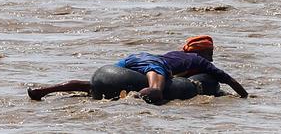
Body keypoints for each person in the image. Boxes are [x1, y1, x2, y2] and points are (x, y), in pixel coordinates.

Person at [27, 35, 249, 104]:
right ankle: (134, 103)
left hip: (135, 60)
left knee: (92, 85)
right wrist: (245, 96)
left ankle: (43, 91)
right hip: (154, 64)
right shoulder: (201, 62)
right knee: (156, 91)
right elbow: (228, 79)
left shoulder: (178, 54)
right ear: (207, 53)